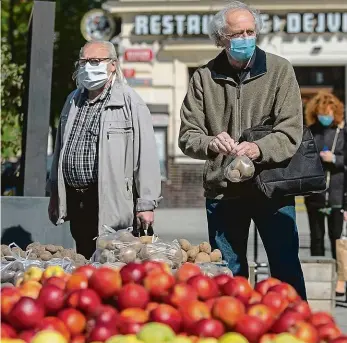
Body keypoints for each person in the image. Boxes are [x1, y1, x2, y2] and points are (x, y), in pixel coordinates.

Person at [179, 1, 307, 299]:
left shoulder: (279, 71)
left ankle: (298, 328)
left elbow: (291, 131)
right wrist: (210, 142)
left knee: (285, 269)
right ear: (221, 38)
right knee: (228, 274)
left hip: (272, 187)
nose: (246, 38)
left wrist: (258, 148)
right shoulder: (203, 77)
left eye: (251, 31)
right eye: (238, 33)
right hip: (223, 191)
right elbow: (188, 136)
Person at [47, 41, 162, 259]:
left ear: (112, 65)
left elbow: (146, 155)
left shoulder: (129, 101)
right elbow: (60, 148)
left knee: (113, 261)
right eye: (84, 62)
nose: (88, 67)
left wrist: (146, 204)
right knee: (83, 257)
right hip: (76, 198)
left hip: (110, 199)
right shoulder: (72, 100)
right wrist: (54, 191)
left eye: (95, 61)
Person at [304, 92, 347, 296]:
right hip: (315, 194)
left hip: (337, 194)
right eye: (322, 113)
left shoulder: (342, 132)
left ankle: (340, 280)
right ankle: (317, 277)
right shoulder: (311, 131)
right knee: (317, 238)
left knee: (337, 239)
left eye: (329, 113)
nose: (325, 117)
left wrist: (335, 159)